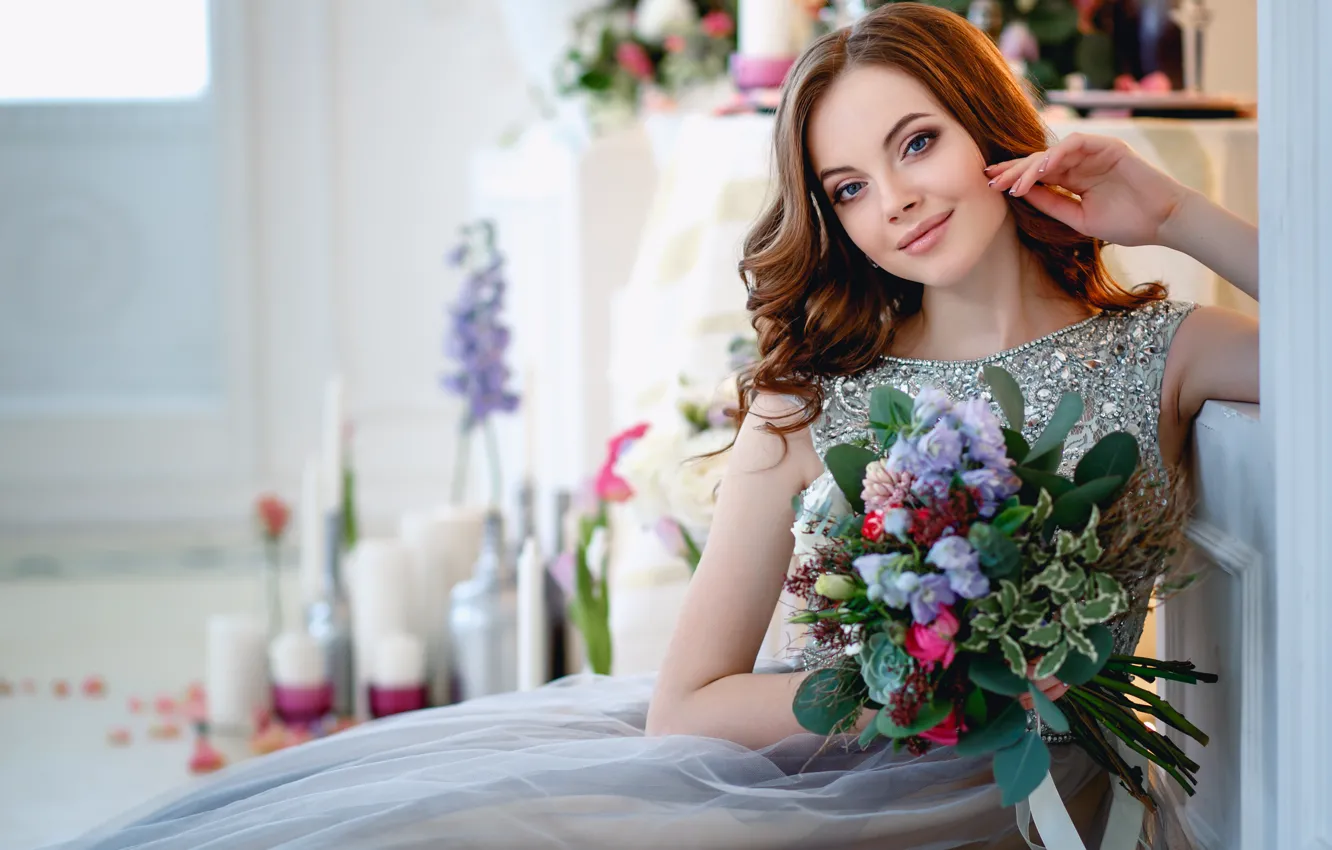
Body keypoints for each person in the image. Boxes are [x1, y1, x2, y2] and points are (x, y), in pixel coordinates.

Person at [53, 5, 1257, 849]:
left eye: (916, 143)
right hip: (808, 776)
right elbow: (690, 704)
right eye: (845, 186)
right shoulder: (815, 396)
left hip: (1023, 799)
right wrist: (913, 680)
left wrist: (1178, 214)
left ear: (995, 132)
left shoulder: (1162, 351)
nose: (892, 202)